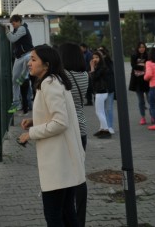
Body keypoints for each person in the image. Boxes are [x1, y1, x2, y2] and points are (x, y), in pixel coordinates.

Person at [18, 45, 85, 227]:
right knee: (67, 213)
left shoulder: (49, 84)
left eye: (33, 59)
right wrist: (34, 121)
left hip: (58, 161)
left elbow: (60, 123)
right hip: (63, 160)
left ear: (46, 65)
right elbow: (57, 116)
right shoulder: (54, 81)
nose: (29, 63)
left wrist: (30, 134)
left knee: (54, 215)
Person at [57, 42, 90, 227]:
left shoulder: (63, 76)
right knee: (79, 175)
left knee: (66, 176)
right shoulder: (84, 75)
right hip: (82, 129)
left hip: (69, 129)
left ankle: (69, 217)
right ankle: (79, 218)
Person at [6, 14, 34, 114]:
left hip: (27, 54)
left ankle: (24, 76)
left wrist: (7, 31)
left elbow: (12, 39)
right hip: (19, 57)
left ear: (19, 21)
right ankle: (16, 102)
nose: (13, 25)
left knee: (27, 61)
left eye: (14, 23)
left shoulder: (22, 28)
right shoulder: (16, 30)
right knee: (14, 80)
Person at [88, 51, 111, 138]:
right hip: (100, 92)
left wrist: (92, 67)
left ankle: (106, 130)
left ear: (100, 58)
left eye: (97, 57)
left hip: (101, 92)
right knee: (101, 111)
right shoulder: (98, 67)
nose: (95, 59)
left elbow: (94, 77)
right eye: (93, 57)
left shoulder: (102, 67)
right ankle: (102, 129)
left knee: (99, 112)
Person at [129, 42, 150, 126]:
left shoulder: (148, 56)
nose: (142, 49)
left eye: (143, 47)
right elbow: (134, 66)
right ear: (137, 48)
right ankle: (143, 117)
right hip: (137, 81)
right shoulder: (134, 56)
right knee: (141, 101)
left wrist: (140, 65)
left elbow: (149, 66)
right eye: (140, 47)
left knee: (150, 100)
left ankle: (153, 116)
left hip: (147, 80)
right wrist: (144, 66)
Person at [97, 47, 116, 134]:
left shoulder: (108, 64)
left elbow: (110, 76)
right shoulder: (95, 65)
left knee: (108, 108)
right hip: (99, 90)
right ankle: (103, 126)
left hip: (108, 89)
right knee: (101, 109)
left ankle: (110, 126)